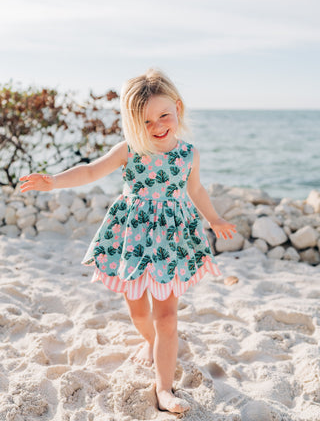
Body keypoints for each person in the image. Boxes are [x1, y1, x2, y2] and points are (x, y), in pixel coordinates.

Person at [20, 69, 236, 414]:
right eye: (146, 120)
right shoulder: (130, 149)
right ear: (134, 122)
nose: (158, 126)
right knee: (138, 311)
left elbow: (195, 190)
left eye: (164, 115)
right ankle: (149, 341)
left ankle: (164, 388)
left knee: (166, 317)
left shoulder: (188, 154)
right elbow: (91, 170)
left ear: (178, 108)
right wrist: (54, 181)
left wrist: (215, 218)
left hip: (171, 240)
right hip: (131, 238)